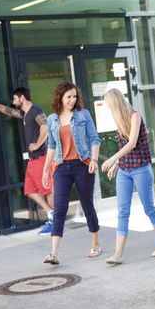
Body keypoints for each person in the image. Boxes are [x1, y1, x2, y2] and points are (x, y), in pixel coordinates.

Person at [100, 88, 155, 264]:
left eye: (109, 105)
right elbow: (125, 147)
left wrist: (112, 159)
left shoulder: (134, 116)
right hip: (125, 170)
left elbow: (131, 143)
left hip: (140, 169)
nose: (108, 108)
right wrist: (116, 164)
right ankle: (118, 254)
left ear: (116, 103)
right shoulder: (120, 121)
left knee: (149, 208)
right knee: (123, 212)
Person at [41, 81, 102, 265]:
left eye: (74, 96)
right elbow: (51, 146)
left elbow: (94, 139)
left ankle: (96, 245)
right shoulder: (52, 119)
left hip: (82, 165)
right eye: (69, 97)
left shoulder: (83, 115)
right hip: (61, 167)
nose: (72, 100)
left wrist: (94, 159)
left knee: (87, 204)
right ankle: (53, 253)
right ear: (60, 97)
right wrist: (45, 170)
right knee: (59, 209)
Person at [0, 88, 53, 236]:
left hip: (40, 157)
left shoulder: (35, 111)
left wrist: (38, 144)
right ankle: (51, 213)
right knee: (29, 190)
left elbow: (46, 127)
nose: (13, 102)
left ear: (22, 98)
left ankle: (54, 221)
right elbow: (9, 111)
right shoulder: (24, 114)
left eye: (15, 99)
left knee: (47, 190)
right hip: (33, 160)